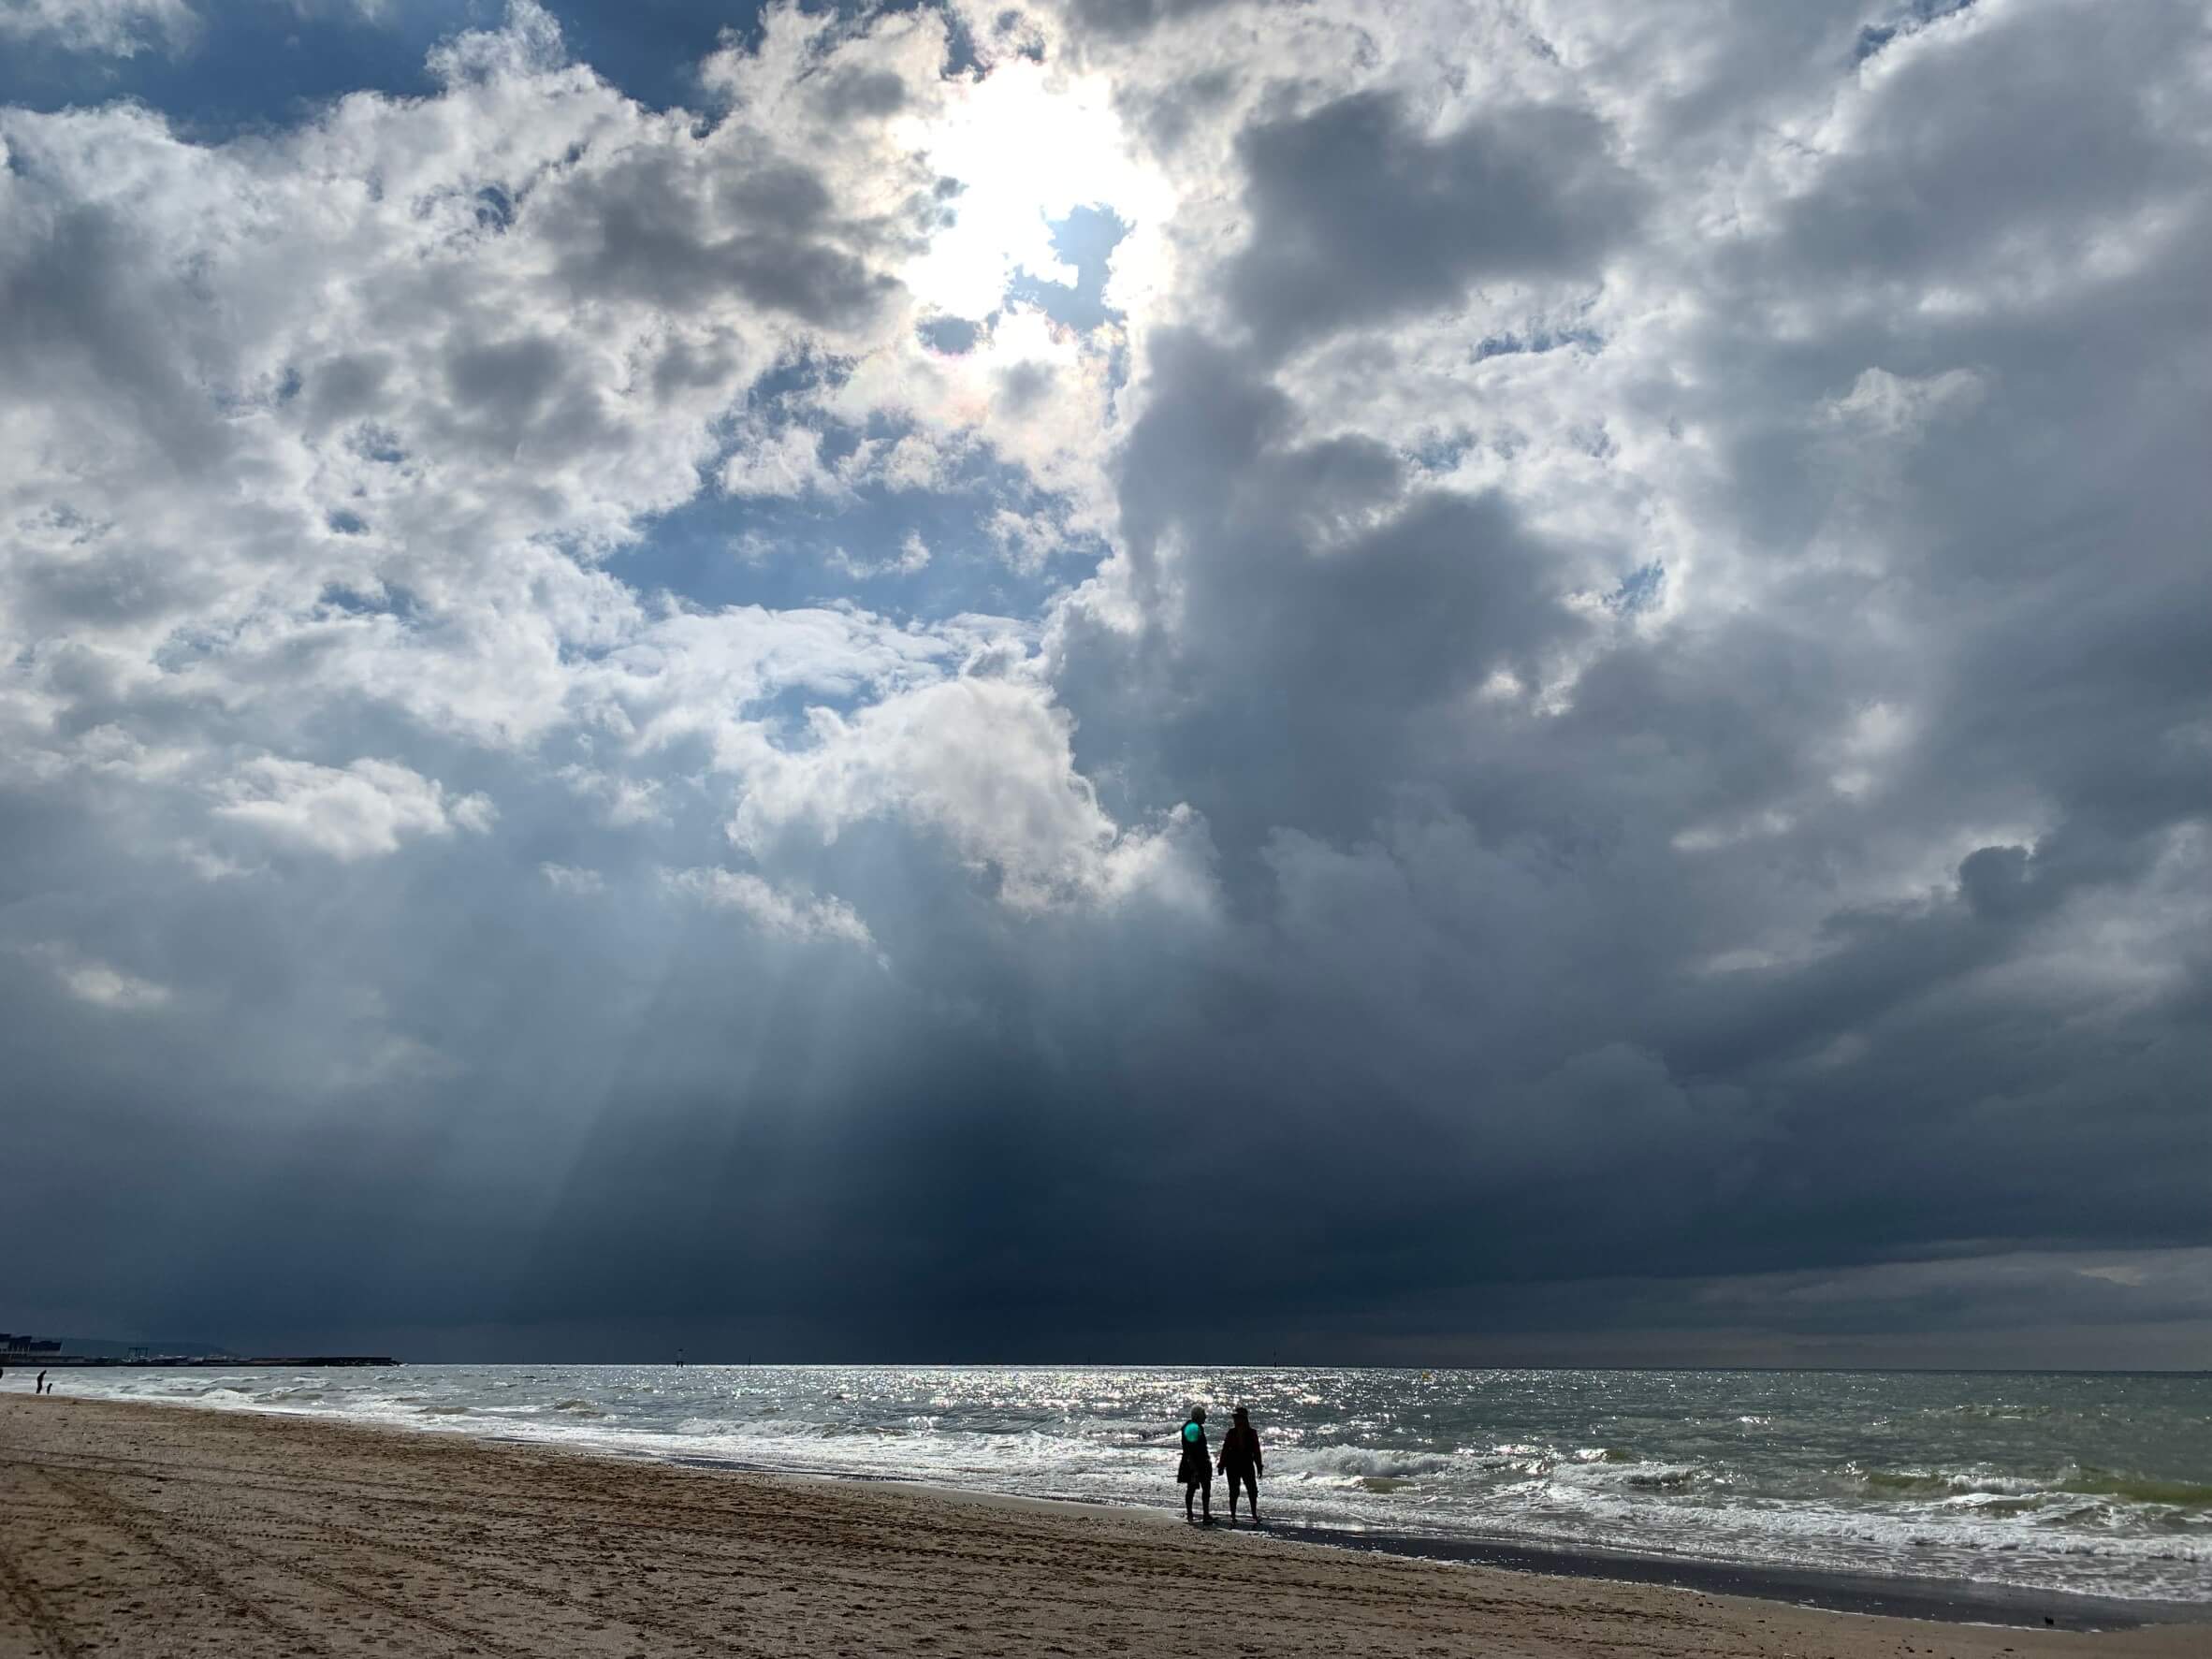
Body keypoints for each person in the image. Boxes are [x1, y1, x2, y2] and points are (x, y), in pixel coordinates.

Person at [1217, 1405, 1263, 1525]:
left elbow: (1256, 1451)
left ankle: (1254, 1514)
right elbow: (1225, 1449)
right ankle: (1233, 1515)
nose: (1236, 1420)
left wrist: (1259, 1466)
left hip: (1247, 1464)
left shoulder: (1252, 1433)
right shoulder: (1231, 1433)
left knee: (1252, 1490)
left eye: (1239, 1418)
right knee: (1234, 1491)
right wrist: (1221, 1465)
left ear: (1245, 1419)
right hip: (1232, 1465)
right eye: (1236, 1418)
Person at [1176, 1404, 1213, 1523]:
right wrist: (1194, 1466)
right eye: (1204, 1415)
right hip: (1195, 1463)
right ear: (1198, 1416)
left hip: (1196, 1462)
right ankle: (1196, 1514)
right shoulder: (1193, 1428)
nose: (1206, 1417)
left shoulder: (1193, 1427)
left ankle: (1196, 1514)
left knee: (1199, 1488)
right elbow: (1190, 1449)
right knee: (1196, 1488)